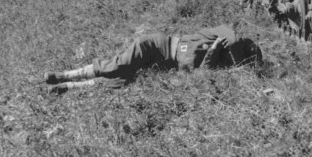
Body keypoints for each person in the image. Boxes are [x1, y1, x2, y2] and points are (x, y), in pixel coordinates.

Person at [44, 25, 262, 94]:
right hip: (156, 46)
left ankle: (67, 87)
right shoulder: (220, 35)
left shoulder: (218, 63)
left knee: (120, 82)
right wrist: (222, 43)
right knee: (116, 66)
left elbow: (201, 74)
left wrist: (214, 53)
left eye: (241, 59)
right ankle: (64, 75)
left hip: (163, 65)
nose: (235, 57)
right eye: (240, 53)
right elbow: (229, 31)